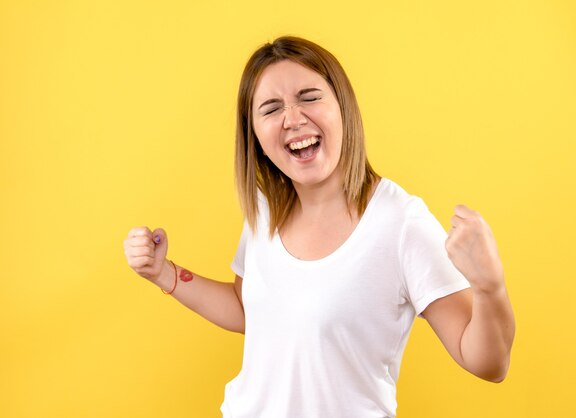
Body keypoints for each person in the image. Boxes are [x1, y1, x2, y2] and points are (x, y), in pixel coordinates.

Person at [123, 36, 515, 418]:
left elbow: (486, 362)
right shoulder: (265, 210)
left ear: (343, 106)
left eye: (309, 97)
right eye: (271, 108)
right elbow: (251, 312)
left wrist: (489, 286)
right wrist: (165, 273)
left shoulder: (401, 224)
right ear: (255, 135)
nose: (293, 119)